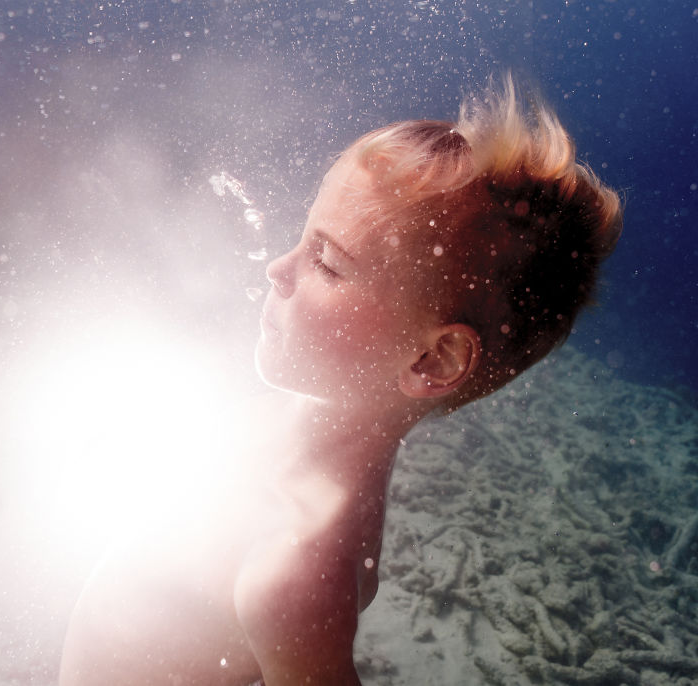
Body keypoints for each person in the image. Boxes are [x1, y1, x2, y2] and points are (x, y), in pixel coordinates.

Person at [58, 74, 622, 686]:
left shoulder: (294, 569)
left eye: (326, 260)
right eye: (304, 237)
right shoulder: (268, 425)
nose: (278, 268)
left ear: (431, 362)